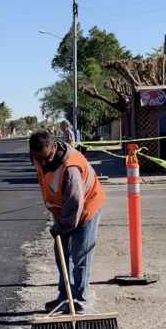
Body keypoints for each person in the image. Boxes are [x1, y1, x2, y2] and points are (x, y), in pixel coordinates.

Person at [29, 130, 106, 315]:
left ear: (54, 147)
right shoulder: (39, 157)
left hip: (86, 208)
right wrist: (59, 222)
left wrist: (61, 226)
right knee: (61, 254)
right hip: (63, 211)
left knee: (80, 255)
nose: (42, 163)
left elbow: (74, 205)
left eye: (45, 159)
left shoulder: (71, 168)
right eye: (38, 159)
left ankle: (80, 300)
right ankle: (65, 297)